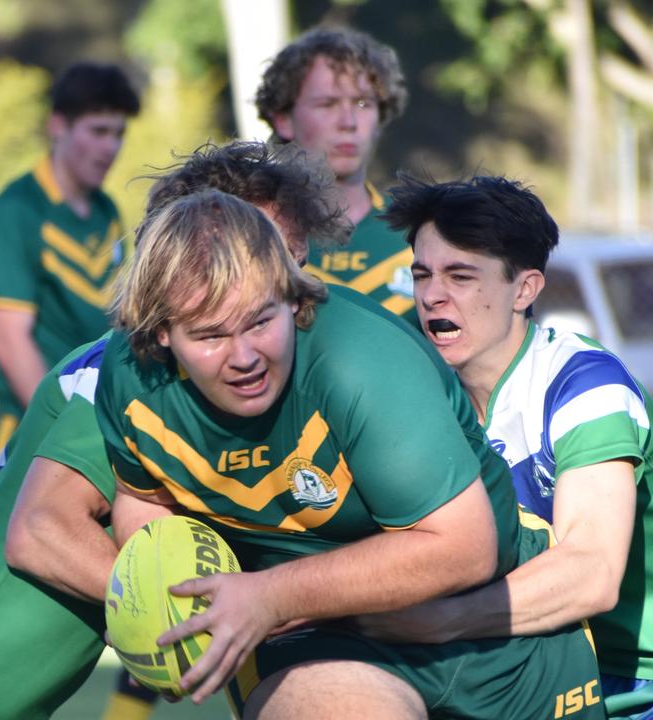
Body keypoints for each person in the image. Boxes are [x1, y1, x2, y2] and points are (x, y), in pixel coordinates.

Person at [0, 141, 345, 720]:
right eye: (267, 256)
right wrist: (194, 623)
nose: (290, 288)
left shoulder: (211, 384)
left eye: (297, 263)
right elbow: (40, 530)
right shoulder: (133, 375)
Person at [93, 189, 603, 718]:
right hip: (317, 641)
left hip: (493, 631)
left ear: (294, 296)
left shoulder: (358, 359)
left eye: (260, 322)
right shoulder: (131, 381)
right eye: (210, 335)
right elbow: (143, 498)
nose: (244, 356)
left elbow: (464, 546)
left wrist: (269, 596)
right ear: (160, 334)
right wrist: (162, 604)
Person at [354, 175, 653, 718]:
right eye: (422, 276)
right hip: (502, 651)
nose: (432, 296)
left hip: (628, 678)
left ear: (526, 289)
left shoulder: (587, 385)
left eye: (461, 276)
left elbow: (590, 573)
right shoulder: (413, 383)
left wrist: (441, 620)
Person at [0, 61, 140, 466]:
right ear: (57, 126)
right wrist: (63, 430)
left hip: (100, 426)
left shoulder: (108, 211)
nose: (111, 147)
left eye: (119, 133)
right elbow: (10, 341)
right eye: (98, 131)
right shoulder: (12, 213)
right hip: (31, 433)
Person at [256, 26, 416, 320]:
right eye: (327, 103)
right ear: (283, 119)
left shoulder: (420, 232)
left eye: (363, 102)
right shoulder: (251, 234)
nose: (349, 121)